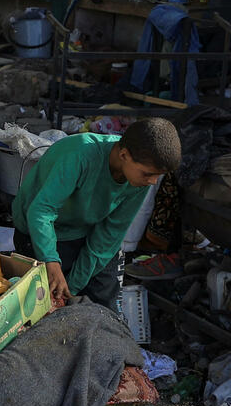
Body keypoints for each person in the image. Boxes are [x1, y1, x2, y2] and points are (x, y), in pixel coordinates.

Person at [11, 118, 181, 308]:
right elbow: (42, 211)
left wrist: (72, 289)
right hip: (40, 230)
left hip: (87, 233)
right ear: (124, 155)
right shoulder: (80, 154)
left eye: (158, 176)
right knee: (39, 305)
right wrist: (51, 261)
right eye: (148, 174)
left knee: (102, 305)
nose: (152, 182)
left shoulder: (139, 182)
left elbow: (109, 235)